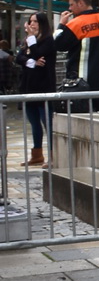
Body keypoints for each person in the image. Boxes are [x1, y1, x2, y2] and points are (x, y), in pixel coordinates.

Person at [53, 0, 99, 92]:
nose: (70, 8)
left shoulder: (76, 24)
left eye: (71, 5)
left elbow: (58, 45)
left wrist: (61, 25)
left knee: (83, 109)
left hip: (80, 85)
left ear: (80, 3)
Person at [16, 11, 56, 167]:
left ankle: (53, 155)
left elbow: (39, 54)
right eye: (30, 21)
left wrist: (32, 42)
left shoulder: (48, 40)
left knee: (47, 122)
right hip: (28, 87)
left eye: (35, 22)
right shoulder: (29, 40)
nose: (32, 24)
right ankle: (37, 154)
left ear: (42, 24)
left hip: (44, 87)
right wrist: (31, 62)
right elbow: (20, 57)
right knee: (34, 123)